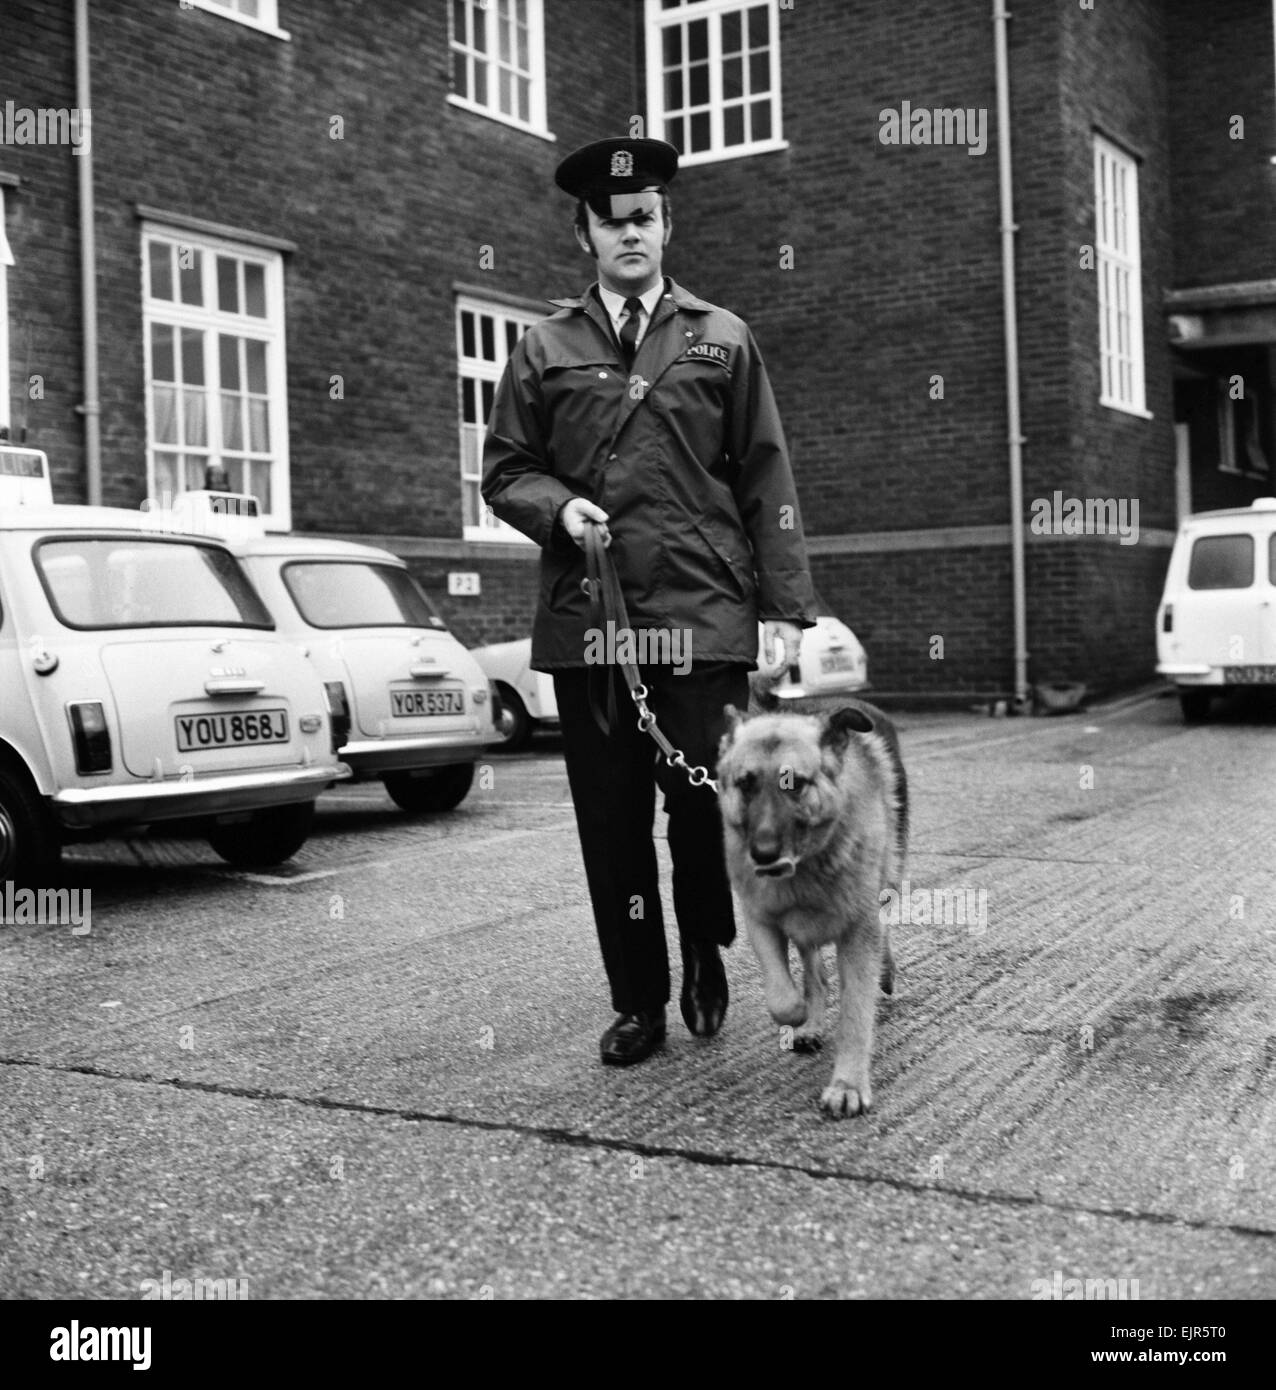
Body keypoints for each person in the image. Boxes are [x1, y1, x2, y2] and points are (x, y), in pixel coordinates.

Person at [482, 136, 816, 1066]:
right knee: (613, 822)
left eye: (645, 218)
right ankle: (638, 1001)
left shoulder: (722, 336)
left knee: (708, 809)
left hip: (703, 620)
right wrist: (559, 507)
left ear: (666, 225)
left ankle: (706, 947)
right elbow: (505, 471)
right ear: (583, 232)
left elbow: (765, 474)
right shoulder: (543, 347)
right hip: (594, 628)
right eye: (610, 221)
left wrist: (784, 611)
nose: (629, 234)